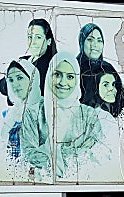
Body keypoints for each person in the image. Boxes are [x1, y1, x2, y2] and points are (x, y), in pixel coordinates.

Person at [43, 51, 103, 179]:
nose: (62, 82)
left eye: (70, 77)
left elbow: (96, 153)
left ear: (77, 79)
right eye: (57, 75)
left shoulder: (88, 115)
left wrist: (58, 152)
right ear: (49, 76)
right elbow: (30, 153)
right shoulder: (35, 114)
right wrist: (77, 151)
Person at [0, 18, 57, 104]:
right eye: (30, 37)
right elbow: (2, 86)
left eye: (38, 37)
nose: (32, 42)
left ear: (49, 41)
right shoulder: (23, 60)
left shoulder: (51, 66)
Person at [1, 59, 44, 161]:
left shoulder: (44, 108)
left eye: (19, 78)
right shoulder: (9, 114)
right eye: (11, 80)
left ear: (32, 79)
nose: (15, 85)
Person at [76, 23, 123, 109]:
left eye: (99, 40)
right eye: (90, 40)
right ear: (82, 42)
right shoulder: (74, 68)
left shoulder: (107, 68)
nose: (95, 45)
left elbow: (119, 97)